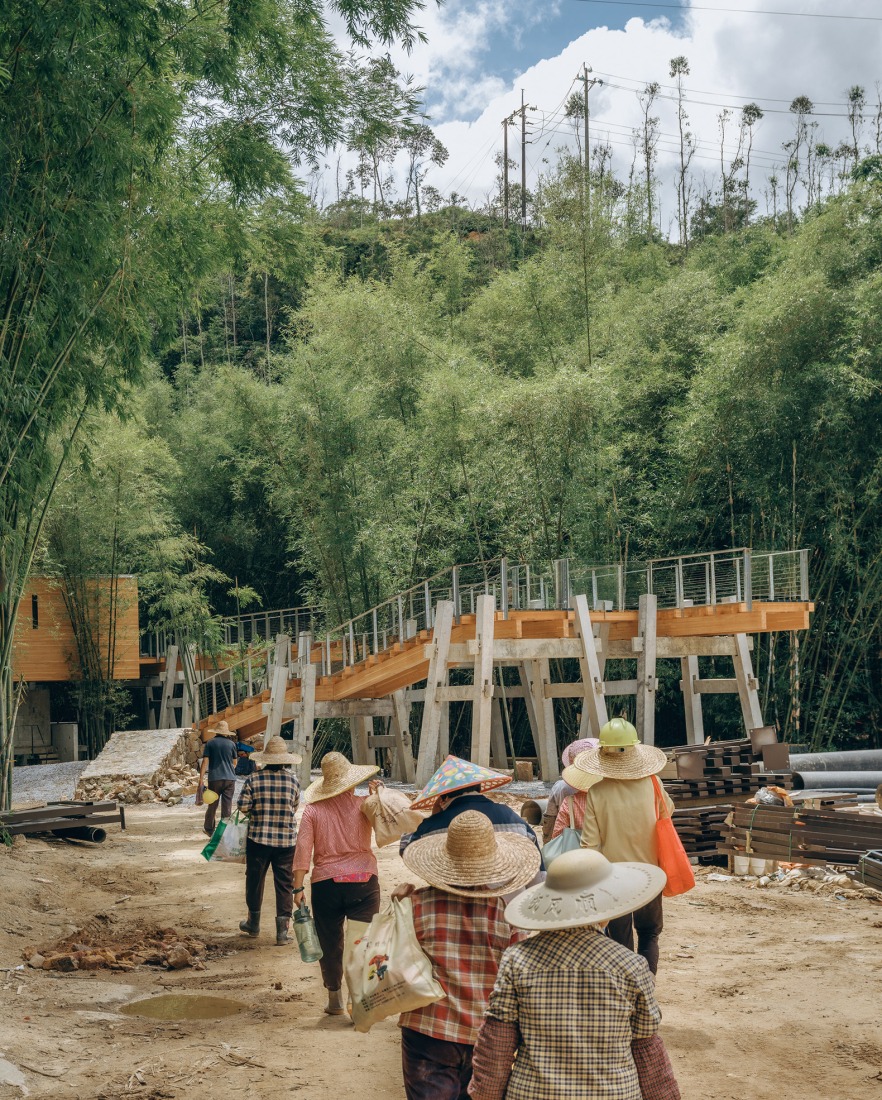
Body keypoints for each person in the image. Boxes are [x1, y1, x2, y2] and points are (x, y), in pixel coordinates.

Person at [468, 848, 681, 1100]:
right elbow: (647, 1048)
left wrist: (484, 1095)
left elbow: (497, 1042)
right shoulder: (631, 965)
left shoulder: (517, 959)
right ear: (605, 910)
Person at [398, 810, 541, 1100]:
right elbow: (517, 979)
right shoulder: (506, 913)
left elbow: (394, 958)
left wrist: (397, 904)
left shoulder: (416, 905)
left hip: (428, 1029)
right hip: (485, 1035)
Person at [569, 717, 674, 974]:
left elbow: (590, 843)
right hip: (651, 872)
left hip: (613, 877)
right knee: (649, 933)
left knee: (619, 937)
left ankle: (626, 988)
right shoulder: (653, 783)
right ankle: (647, 986)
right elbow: (667, 813)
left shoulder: (596, 792)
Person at [293, 751, 382, 1016]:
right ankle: (359, 1000)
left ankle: (335, 998)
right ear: (351, 781)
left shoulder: (312, 811)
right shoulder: (365, 803)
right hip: (364, 882)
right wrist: (379, 793)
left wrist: (297, 888)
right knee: (362, 943)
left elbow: (302, 850)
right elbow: (392, 817)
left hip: (326, 885)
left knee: (330, 942)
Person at [400, 756, 541, 860]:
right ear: (479, 786)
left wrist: (433, 818)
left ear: (442, 796)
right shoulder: (511, 816)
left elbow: (407, 851)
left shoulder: (432, 826)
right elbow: (538, 871)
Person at [236, 736, 302, 946]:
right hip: (286, 842)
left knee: (255, 881)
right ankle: (282, 933)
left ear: (265, 759)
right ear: (285, 760)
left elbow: (243, 807)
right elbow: (295, 807)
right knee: (284, 884)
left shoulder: (254, 779)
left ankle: (253, 923)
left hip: (258, 839)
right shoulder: (293, 780)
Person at [541, 736, 598, 841]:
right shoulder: (609, 791)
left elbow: (551, 821)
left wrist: (548, 843)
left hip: (573, 846)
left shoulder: (561, 788)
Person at [199, 722, 238, 837]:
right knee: (227, 806)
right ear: (226, 732)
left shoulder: (210, 743)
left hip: (215, 779)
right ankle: (224, 833)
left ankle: (209, 829)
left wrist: (201, 778)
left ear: (216, 731)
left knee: (212, 804)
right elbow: (234, 763)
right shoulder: (232, 744)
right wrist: (228, 770)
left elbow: (205, 762)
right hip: (230, 779)